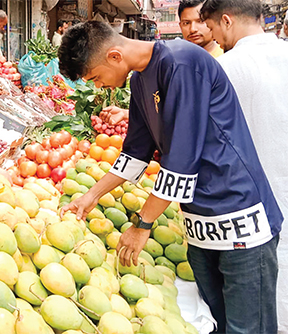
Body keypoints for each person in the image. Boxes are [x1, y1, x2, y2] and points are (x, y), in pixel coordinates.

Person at [58, 21, 282, 334]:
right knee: (218, 320)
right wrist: (90, 196)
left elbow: (181, 158)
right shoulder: (139, 82)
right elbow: (136, 152)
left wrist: (142, 224)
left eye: (95, 77)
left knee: (248, 327)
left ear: (113, 56)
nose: (98, 86)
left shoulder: (181, 63)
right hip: (200, 223)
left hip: (238, 214)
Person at [200, 0, 288, 332]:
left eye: (212, 28)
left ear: (226, 20)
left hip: (250, 204)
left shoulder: (228, 66)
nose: (214, 37)